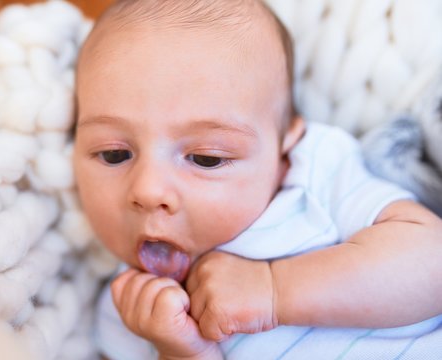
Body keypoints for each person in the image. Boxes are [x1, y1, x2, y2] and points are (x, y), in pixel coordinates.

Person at [72, 0, 442, 359]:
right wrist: (181, 352)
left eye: (206, 158)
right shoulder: (134, 310)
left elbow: (432, 261)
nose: (148, 190)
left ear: (284, 148)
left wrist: (274, 288)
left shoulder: (313, 174)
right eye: (114, 154)